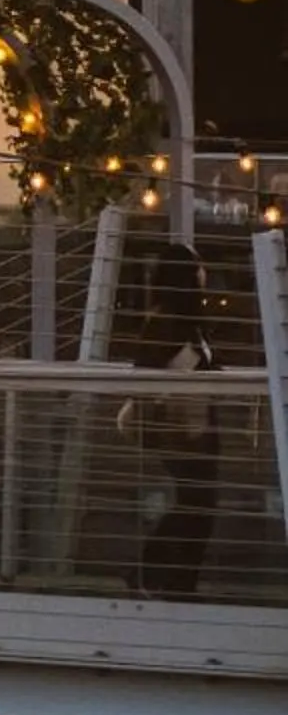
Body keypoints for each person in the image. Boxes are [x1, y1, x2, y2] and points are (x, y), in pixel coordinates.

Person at [125, 229, 219, 597]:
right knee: (196, 504)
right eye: (197, 266)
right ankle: (154, 576)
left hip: (202, 429)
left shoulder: (191, 322)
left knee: (200, 506)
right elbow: (144, 374)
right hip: (180, 431)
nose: (203, 272)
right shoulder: (164, 323)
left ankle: (176, 581)